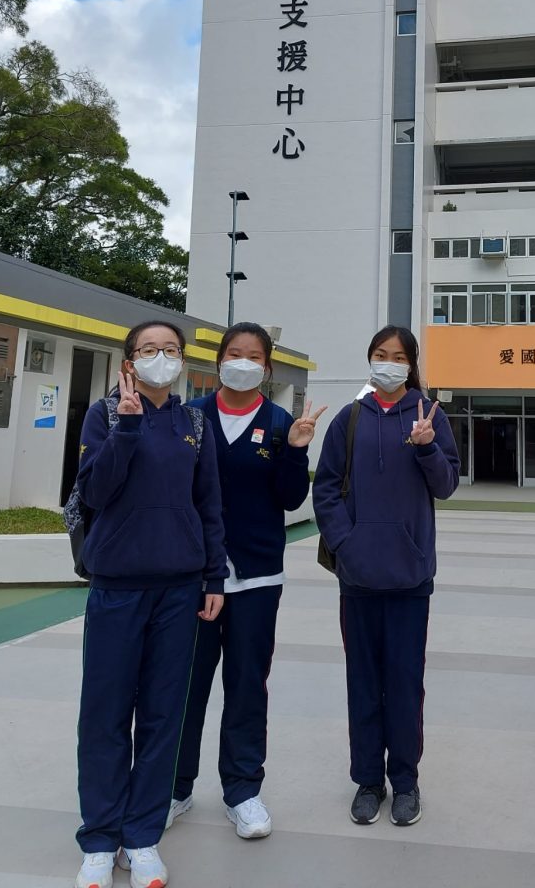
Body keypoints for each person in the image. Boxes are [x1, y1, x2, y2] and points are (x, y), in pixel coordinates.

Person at [74, 322, 227, 888]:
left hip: (180, 587)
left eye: (170, 349)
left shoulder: (194, 423)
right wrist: (130, 429)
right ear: (129, 361)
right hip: (116, 585)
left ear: (182, 360)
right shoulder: (105, 416)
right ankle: (98, 837)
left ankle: (141, 837)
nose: (160, 357)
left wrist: (213, 574)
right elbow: (94, 493)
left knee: (163, 715)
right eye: (148, 349)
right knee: (105, 714)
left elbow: (208, 502)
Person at [168, 322, 325, 840]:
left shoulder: (280, 422)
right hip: (194, 576)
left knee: (246, 684)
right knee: (185, 684)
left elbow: (287, 499)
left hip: (257, 575)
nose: (242, 362)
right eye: (233, 353)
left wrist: (298, 449)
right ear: (218, 362)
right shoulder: (189, 417)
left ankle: (242, 789)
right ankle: (174, 787)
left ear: (267, 366)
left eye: (253, 356)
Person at [312, 325, 459, 827]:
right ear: (369, 359)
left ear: (411, 364)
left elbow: (446, 486)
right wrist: (346, 544)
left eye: (399, 356)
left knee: (404, 682)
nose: (389, 363)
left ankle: (406, 781)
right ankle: (367, 781)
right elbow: (327, 489)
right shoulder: (350, 419)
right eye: (381, 354)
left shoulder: (431, 416)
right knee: (363, 680)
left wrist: (425, 447)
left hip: (410, 577)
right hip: (357, 577)